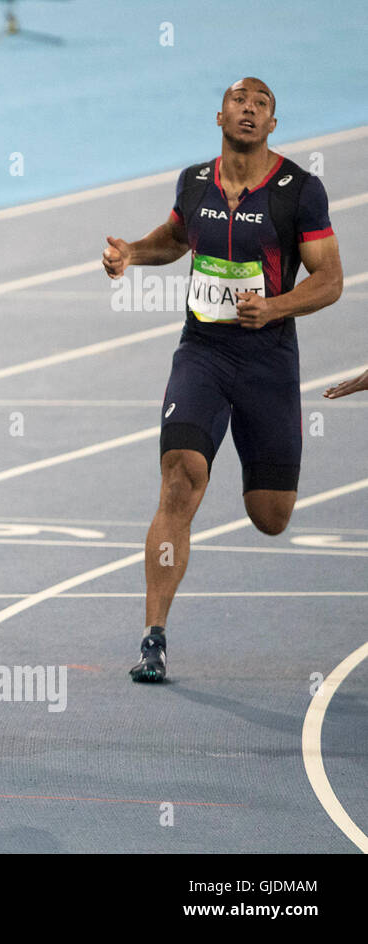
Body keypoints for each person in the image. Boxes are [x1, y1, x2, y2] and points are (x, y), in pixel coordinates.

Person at [101, 78, 343, 682]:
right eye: (240, 100)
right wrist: (132, 251)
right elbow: (177, 239)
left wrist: (277, 307)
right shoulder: (195, 181)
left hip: (268, 359)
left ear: (272, 125)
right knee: (180, 476)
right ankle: (153, 636)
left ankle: (264, 475)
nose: (249, 109)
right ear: (220, 115)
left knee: (270, 515)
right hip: (203, 352)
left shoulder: (299, 191)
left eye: (261, 104)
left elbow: (331, 279)